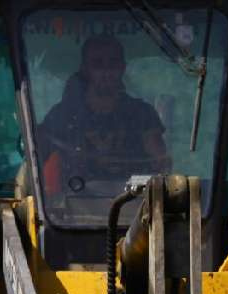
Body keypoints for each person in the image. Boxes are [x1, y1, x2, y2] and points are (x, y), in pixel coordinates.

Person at [37, 34, 170, 192]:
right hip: (72, 209)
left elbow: (161, 163)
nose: (107, 71)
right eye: (98, 64)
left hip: (134, 206)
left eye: (113, 63)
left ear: (122, 68)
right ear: (85, 69)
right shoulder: (62, 116)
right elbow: (34, 160)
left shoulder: (142, 114)